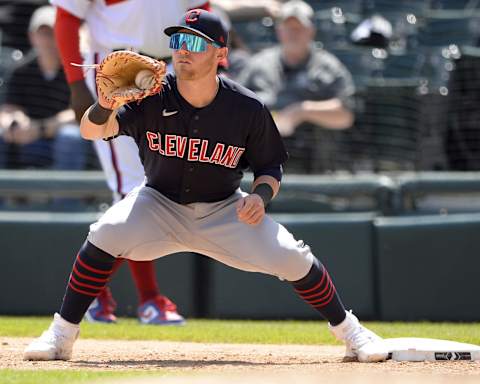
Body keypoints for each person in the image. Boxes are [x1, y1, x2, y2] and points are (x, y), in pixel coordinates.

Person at [23, 9, 389, 363]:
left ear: (221, 54)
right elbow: (92, 131)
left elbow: (270, 167)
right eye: (179, 40)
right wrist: (104, 104)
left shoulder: (246, 108)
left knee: (294, 257)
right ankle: (62, 334)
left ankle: (351, 332)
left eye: (196, 43)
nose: (183, 49)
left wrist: (260, 198)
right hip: (158, 203)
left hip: (224, 208)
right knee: (105, 232)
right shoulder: (152, 95)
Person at [50, 0, 213, 324]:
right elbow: (65, 19)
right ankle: (150, 298)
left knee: (172, 187)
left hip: (175, 71)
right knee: (134, 190)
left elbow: (203, 16)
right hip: (116, 73)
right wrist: (75, 85)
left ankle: (96, 292)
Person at [238, 0, 355, 173]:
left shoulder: (328, 67)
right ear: (279, 31)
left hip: (313, 168)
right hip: (259, 166)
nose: (293, 33)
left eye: (299, 28)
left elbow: (346, 115)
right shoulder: (258, 65)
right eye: (288, 27)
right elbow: (232, 107)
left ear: (311, 31)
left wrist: (302, 111)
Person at [0, 5, 88, 171]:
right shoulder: (20, 70)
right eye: (43, 33)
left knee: (69, 137)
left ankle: (67, 197)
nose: (49, 40)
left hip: (66, 141)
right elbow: (8, 110)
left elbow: (81, 112)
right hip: (28, 140)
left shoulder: (77, 68)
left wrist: (41, 128)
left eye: (54, 33)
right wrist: (15, 123)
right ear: (32, 36)